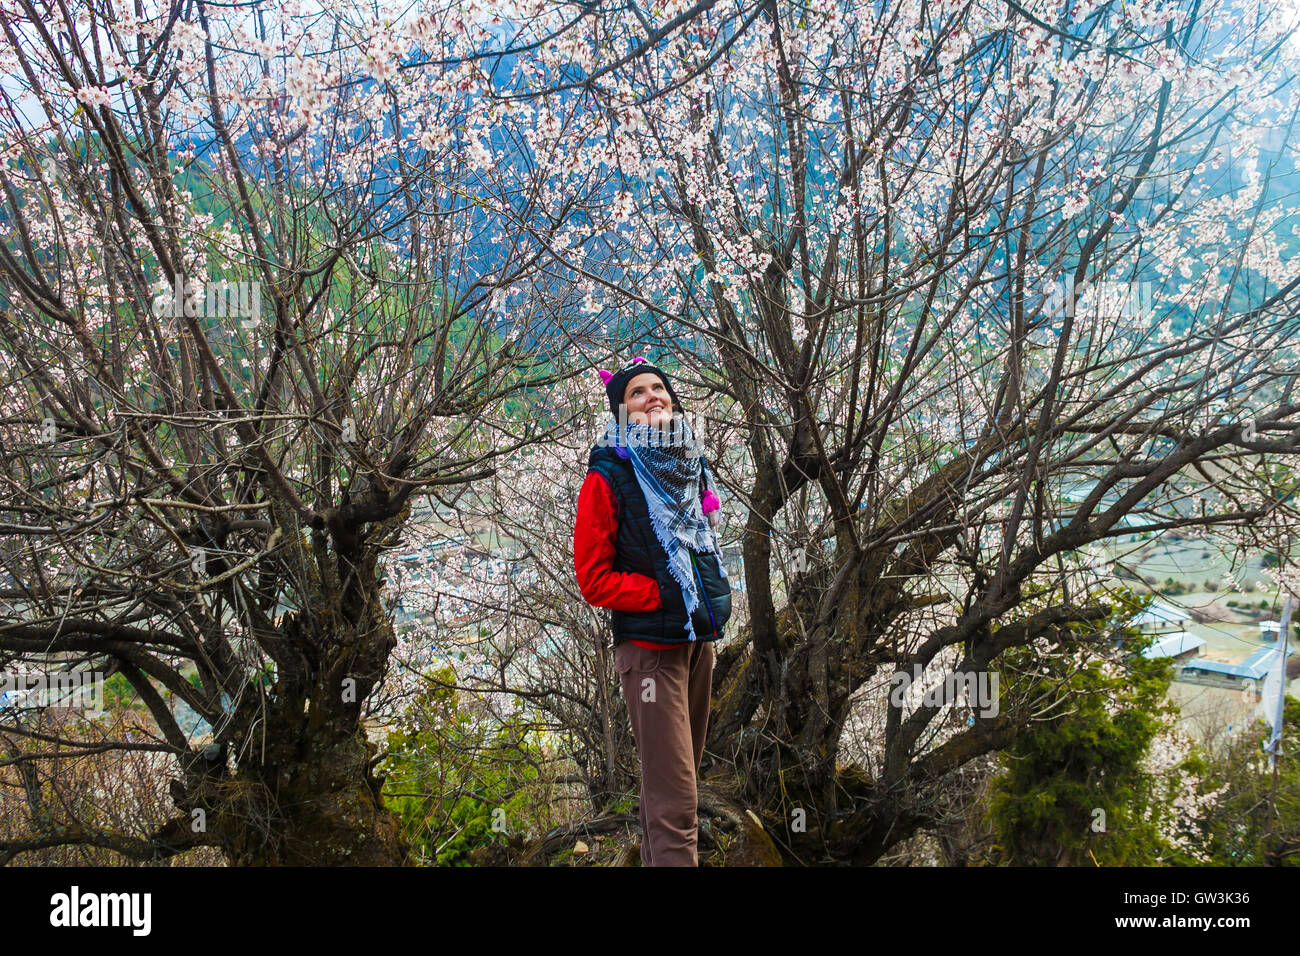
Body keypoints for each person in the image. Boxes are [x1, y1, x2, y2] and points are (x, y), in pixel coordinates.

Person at [572, 356, 732, 866]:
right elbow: (593, 579)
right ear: (621, 413)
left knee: (671, 785)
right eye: (637, 393)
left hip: (697, 644)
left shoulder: (689, 464)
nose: (652, 396)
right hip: (649, 651)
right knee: (678, 801)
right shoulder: (609, 477)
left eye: (659, 387)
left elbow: (700, 554)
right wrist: (661, 595)